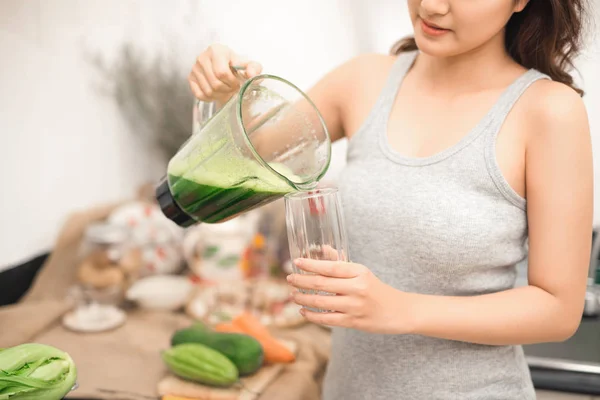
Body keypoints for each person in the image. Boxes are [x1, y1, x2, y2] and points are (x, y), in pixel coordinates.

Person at [187, 0, 593, 398]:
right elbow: (245, 161)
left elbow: (557, 310)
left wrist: (401, 309)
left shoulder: (548, 112)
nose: (431, 6)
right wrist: (227, 96)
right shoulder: (364, 80)